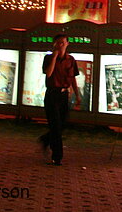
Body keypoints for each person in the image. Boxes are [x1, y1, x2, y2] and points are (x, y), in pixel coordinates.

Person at [38, 35, 80, 166]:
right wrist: (54, 57)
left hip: (64, 95)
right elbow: (48, 73)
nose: (60, 45)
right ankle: (57, 157)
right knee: (55, 126)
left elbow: (73, 77)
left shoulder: (71, 60)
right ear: (54, 44)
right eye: (58, 43)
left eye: (63, 43)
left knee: (63, 124)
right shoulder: (48, 58)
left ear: (67, 44)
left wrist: (77, 95)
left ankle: (45, 139)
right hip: (52, 94)